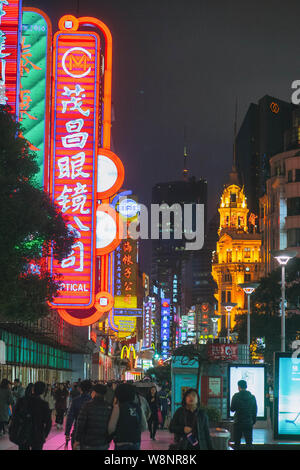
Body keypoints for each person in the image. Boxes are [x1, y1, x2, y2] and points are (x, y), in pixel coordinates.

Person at [9, 381, 52, 450]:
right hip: (38, 435)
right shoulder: (44, 404)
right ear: (43, 391)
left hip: (23, 433)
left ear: (33, 389)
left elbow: (15, 417)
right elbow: (48, 422)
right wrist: (44, 434)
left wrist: (13, 430)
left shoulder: (21, 401)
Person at [73, 384, 111, 450]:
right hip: (103, 443)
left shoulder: (87, 406)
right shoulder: (109, 407)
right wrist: (108, 439)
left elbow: (81, 424)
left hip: (88, 443)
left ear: (94, 392)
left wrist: (77, 440)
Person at [108, 383, 142, 450]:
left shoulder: (118, 407)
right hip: (135, 442)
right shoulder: (138, 407)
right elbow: (144, 426)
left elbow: (111, 428)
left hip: (121, 442)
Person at [230, 379, 257, 450]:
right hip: (248, 422)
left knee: (237, 443)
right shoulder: (252, 397)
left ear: (238, 387)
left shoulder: (236, 396)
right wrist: (253, 421)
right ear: (246, 386)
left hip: (238, 422)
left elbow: (232, 409)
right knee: (249, 443)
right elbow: (254, 411)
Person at [65, 380, 92, 448]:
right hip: (91, 433)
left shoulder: (75, 401)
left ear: (80, 388)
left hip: (77, 431)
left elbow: (70, 417)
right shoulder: (92, 401)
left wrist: (67, 432)